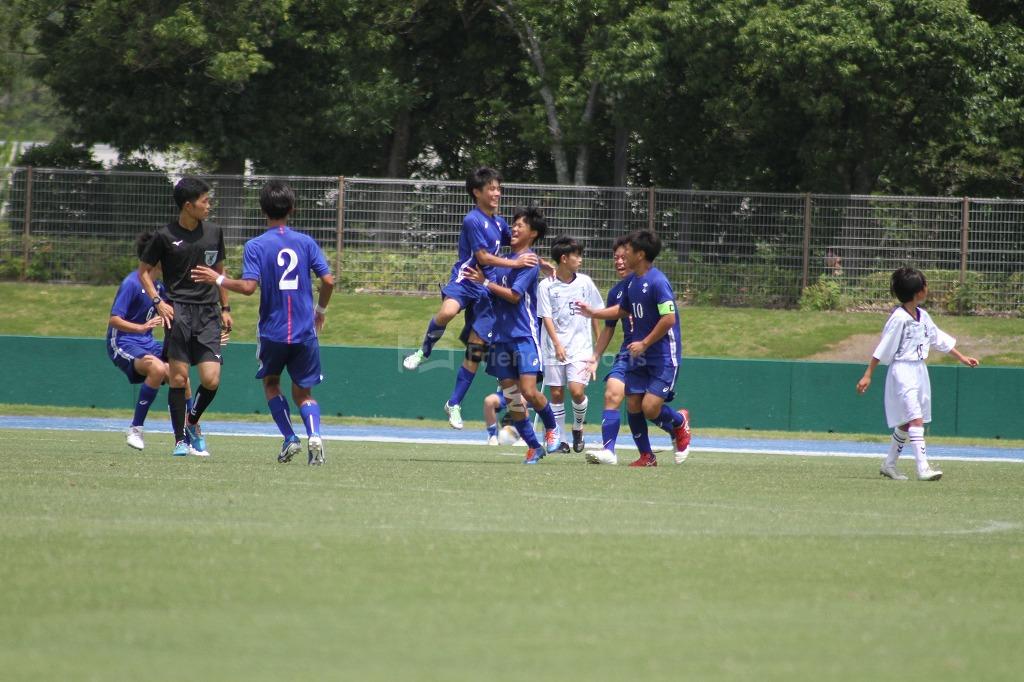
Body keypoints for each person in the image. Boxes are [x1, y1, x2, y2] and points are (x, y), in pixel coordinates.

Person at [191, 180, 335, 465]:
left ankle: (290, 438)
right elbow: (328, 281)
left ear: (262, 210)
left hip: (273, 331)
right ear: (292, 209)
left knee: (271, 382)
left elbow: (248, 287)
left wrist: (217, 278)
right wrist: (320, 310)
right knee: (304, 392)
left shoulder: (256, 245)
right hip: (304, 331)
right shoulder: (306, 242)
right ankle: (315, 435)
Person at [402, 167, 538, 431]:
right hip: (466, 279)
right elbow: (483, 257)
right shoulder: (472, 220)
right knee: (446, 313)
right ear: (477, 192)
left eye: (498, 188)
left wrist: (538, 262)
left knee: (475, 350)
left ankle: (453, 403)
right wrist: (515, 264)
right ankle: (423, 351)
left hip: (486, 289)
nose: (497, 193)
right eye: (491, 188)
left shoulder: (499, 223)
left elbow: (518, 246)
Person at [578, 230, 690, 467]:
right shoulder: (631, 284)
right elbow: (622, 311)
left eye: (626, 252)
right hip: (637, 355)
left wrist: (645, 342)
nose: (621, 257)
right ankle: (646, 456)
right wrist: (593, 312)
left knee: (650, 408)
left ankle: (679, 422)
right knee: (632, 402)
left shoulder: (658, 282)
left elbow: (669, 318)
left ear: (640, 255)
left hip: (662, 356)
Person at [856, 266, 978, 481]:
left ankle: (889, 464)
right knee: (915, 420)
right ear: (918, 291)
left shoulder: (924, 316)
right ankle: (923, 468)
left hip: (919, 370)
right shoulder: (899, 318)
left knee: (906, 422)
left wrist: (962, 357)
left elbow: (938, 339)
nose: (927, 288)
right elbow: (883, 347)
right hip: (902, 371)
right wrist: (868, 374)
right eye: (925, 285)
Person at [138, 176, 231, 457]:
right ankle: (180, 440)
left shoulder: (214, 232)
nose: (209, 205)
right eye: (205, 201)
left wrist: (226, 308)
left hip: (208, 312)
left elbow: (220, 272)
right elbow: (144, 273)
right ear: (188, 206)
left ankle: (192, 422)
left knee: (211, 379)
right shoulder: (164, 236)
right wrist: (158, 302)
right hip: (178, 312)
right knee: (178, 379)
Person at [462, 206, 561, 463]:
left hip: (523, 336)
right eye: (513, 224)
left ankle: (552, 428)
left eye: (520, 225)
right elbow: (483, 265)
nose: (514, 228)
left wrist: (485, 282)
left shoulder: (528, 261)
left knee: (528, 391)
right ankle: (533, 446)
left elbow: (515, 296)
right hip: (499, 339)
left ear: (533, 233)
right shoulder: (505, 260)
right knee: (513, 399)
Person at [107, 231, 193, 451]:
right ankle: (135, 429)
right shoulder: (131, 283)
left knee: (181, 374)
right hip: (123, 342)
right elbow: (114, 319)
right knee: (157, 368)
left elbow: (175, 311)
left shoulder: (160, 287)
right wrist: (141, 327)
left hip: (146, 343)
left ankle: (189, 434)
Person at [538, 236, 603, 453]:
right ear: (564, 258)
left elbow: (595, 312)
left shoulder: (585, 282)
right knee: (556, 394)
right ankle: (562, 440)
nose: (580, 259)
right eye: (577, 255)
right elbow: (546, 316)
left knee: (576, 391)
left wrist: (598, 347)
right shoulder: (545, 286)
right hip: (553, 348)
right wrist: (557, 344)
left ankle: (578, 426)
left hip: (580, 347)